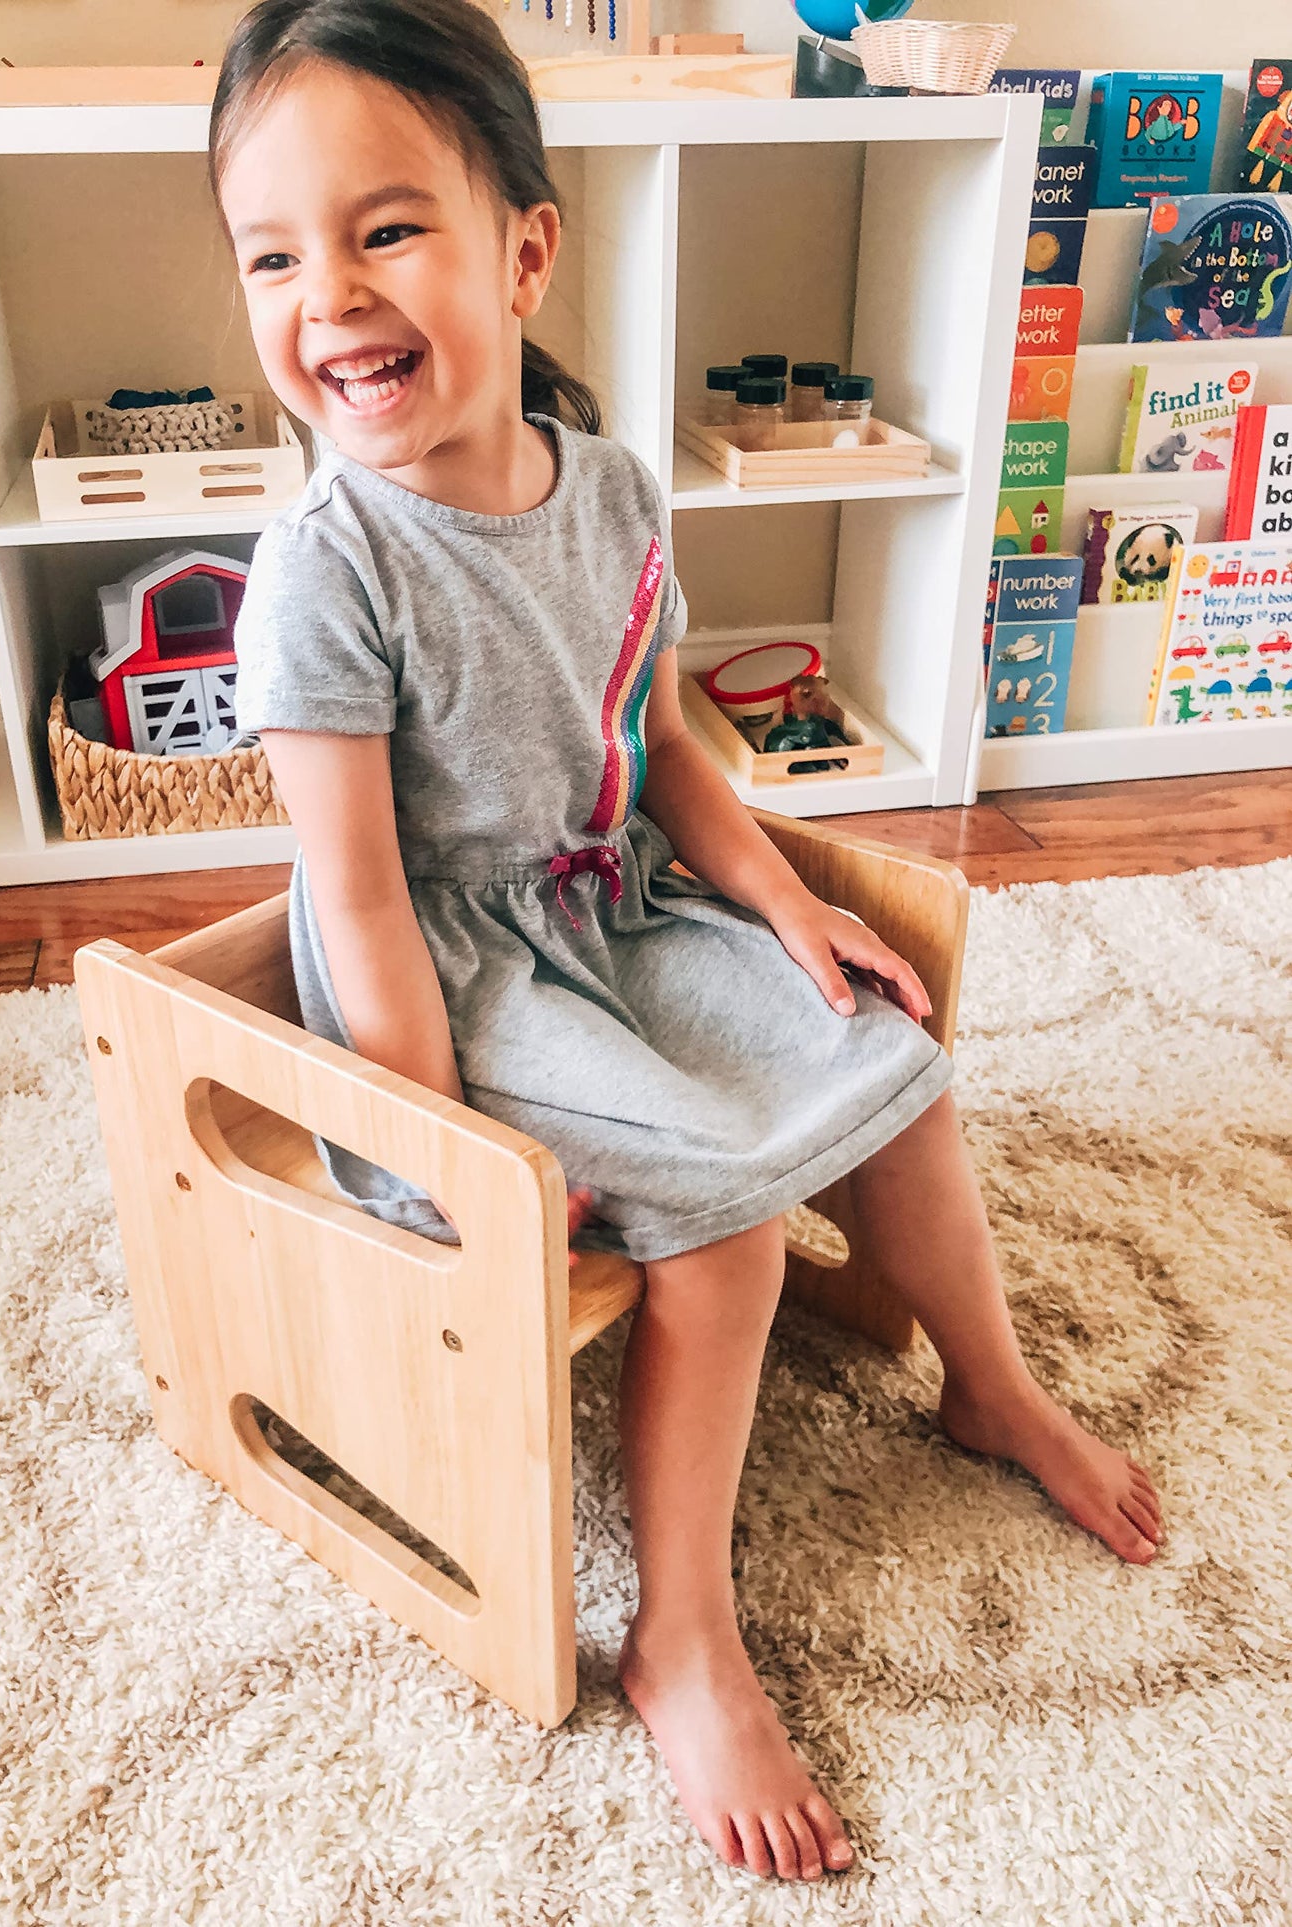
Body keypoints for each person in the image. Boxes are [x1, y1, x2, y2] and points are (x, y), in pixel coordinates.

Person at [211, 0, 1165, 1883]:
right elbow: (359, 900)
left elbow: (659, 752)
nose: (329, 292)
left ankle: (984, 1383)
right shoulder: (323, 577)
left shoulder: (612, 490)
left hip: (606, 904)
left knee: (895, 1066)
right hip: (453, 988)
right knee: (721, 1237)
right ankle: (683, 1632)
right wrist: (438, 1144)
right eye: (272, 252)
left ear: (525, 246)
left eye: (386, 227)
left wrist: (790, 900)